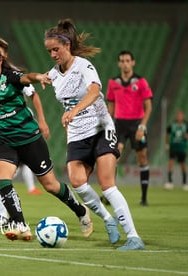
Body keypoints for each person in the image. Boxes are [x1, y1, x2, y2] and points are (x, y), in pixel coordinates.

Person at [0, 45, 92, 241]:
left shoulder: (10, 77)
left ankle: (80, 211)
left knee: (51, 185)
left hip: (29, 139)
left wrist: (39, 77)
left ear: (0, 61)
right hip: (3, 140)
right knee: (2, 178)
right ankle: (20, 224)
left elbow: (27, 78)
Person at [44, 19, 144, 250]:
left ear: (67, 45)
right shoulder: (54, 74)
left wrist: (75, 110)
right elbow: (38, 78)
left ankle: (133, 237)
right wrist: (34, 79)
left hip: (101, 128)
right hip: (77, 134)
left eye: (56, 49)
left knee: (107, 184)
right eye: (49, 51)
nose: (52, 54)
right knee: (77, 182)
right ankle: (108, 220)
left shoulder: (83, 66)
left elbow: (94, 90)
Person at [0, 37, 45, 229]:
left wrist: (41, 121)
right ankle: (4, 214)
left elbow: (33, 94)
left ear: (4, 56)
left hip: (16, 130)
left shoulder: (14, 75)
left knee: (0, 171)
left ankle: (7, 213)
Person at [106, 50, 153, 206]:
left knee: (142, 158)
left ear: (133, 62)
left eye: (128, 60)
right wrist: (106, 124)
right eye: (122, 61)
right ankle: (109, 194)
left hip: (136, 124)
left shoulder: (141, 82)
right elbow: (110, 108)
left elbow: (148, 106)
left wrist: (142, 126)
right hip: (119, 124)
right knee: (114, 157)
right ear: (119, 63)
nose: (125, 63)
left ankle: (144, 198)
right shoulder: (113, 82)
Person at [164, 109, 188, 191]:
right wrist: (167, 145)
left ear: (183, 116)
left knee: (183, 165)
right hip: (173, 147)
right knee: (170, 163)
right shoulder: (172, 125)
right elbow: (166, 134)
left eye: (181, 115)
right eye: (178, 115)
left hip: (182, 148)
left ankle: (184, 183)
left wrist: (187, 136)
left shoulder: (186, 125)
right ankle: (170, 182)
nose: (179, 117)